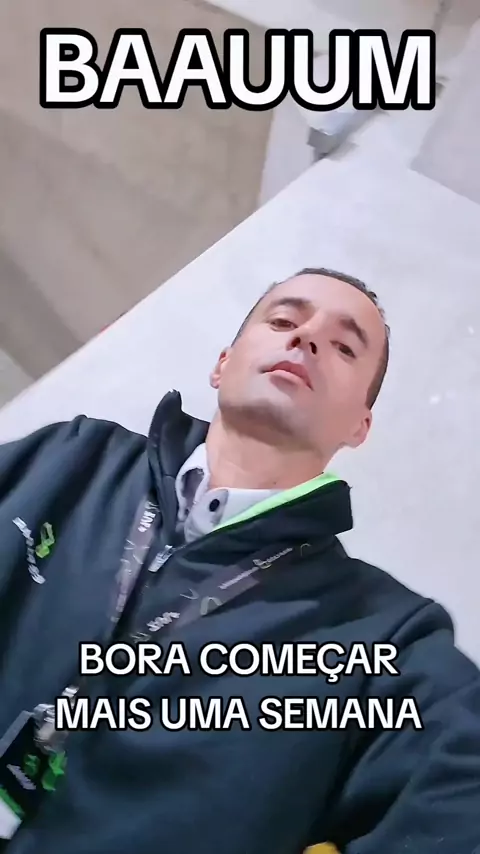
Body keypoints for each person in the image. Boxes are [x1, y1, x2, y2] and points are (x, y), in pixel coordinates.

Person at [0, 267, 479, 854]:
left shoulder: (383, 635)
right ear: (223, 364)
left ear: (360, 425)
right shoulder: (73, 459)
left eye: (344, 347)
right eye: (283, 320)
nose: (307, 337)